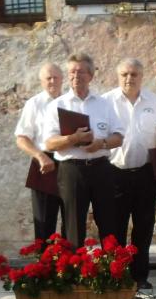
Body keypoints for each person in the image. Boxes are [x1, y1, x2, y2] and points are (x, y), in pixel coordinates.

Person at [44, 53, 125, 248]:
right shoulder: (57, 105)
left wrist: (102, 144)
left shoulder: (105, 104)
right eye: (72, 71)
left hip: (101, 168)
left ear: (91, 76)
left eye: (81, 71)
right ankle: (75, 275)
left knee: (108, 223)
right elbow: (49, 143)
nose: (75, 76)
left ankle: (112, 274)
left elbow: (119, 137)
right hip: (72, 170)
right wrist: (74, 139)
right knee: (73, 226)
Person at [104, 58, 156, 290]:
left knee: (144, 226)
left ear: (142, 76)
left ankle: (140, 275)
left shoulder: (154, 101)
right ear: (118, 76)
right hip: (114, 173)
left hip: (145, 173)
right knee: (115, 226)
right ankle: (117, 276)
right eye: (125, 74)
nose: (129, 78)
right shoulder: (106, 102)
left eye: (134, 74)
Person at [14, 63, 66, 241]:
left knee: (72, 221)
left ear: (62, 79)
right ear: (41, 81)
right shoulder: (34, 104)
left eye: (56, 77)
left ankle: (72, 266)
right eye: (48, 78)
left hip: (68, 162)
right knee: (44, 223)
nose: (52, 81)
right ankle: (44, 268)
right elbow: (21, 138)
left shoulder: (70, 101)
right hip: (43, 163)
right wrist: (40, 156)